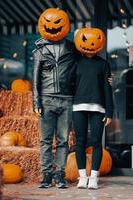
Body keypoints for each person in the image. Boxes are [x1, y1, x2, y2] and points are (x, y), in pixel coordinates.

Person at [32, 8, 76, 189]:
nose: (53, 26)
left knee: (64, 140)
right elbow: (35, 78)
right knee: (46, 140)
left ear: (65, 25)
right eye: (49, 22)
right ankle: (46, 175)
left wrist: (105, 75)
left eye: (58, 22)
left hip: (66, 99)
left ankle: (60, 175)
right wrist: (36, 101)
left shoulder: (73, 49)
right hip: (47, 99)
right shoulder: (39, 51)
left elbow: (86, 67)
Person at [73, 27, 114, 189]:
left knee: (97, 142)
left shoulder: (103, 65)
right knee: (80, 142)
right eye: (85, 40)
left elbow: (107, 89)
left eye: (94, 39)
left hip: (98, 107)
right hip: (78, 107)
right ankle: (82, 176)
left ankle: (94, 177)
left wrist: (109, 111)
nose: (90, 43)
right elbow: (70, 84)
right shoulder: (76, 62)